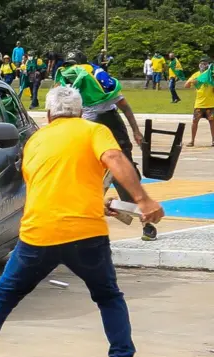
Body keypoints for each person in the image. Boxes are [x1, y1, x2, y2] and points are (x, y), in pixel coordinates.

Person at [0, 86, 164, 357]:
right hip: (85, 235)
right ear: (79, 111)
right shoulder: (94, 131)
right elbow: (114, 157)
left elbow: (50, 185)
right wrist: (142, 200)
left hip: (40, 234)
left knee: (3, 297)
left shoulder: (35, 140)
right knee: (108, 297)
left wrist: (97, 202)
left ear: (50, 115)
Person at [55, 51, 156, 241]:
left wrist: (136, 131)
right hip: (88, 131)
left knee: (125, 176)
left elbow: (125, 107)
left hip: (112, 128)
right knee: (86, 177)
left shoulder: (102, 87)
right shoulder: (72, 90)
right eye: (69, 65)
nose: (71, 69)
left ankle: (146, 223)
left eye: (74, 64)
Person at [184, 57, 214, 147]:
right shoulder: (196, 75)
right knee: (195, 122)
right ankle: (192, 141)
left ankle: (213, 141)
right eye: (201, 63)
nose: (203, 65)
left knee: (212, 122)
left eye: (205, 63)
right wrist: (192, 81)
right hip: (199, 104)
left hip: (210, 103)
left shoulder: (211, 75)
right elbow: (186, 86)